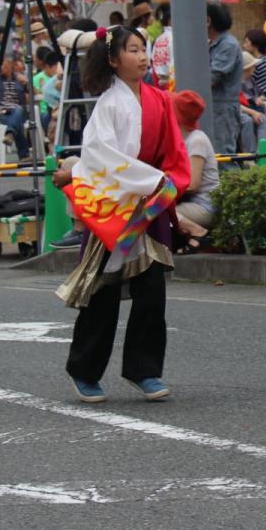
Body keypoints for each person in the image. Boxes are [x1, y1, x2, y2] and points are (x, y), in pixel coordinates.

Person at [54, 25, 190, 404]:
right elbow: (102, 159)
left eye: (143, 48)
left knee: (152, 292)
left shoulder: (159, 100)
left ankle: (144, 370)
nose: (142, 56)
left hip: (147, 206)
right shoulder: (108, 104)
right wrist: (152, 179)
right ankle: (84, 371)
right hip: (116, 207)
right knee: (102, 294)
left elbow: (173, 150)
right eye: (132, 49)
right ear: (113, 59)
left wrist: (165, 181)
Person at [172, 90, 219, 251]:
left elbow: (193, 185)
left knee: (155, 214)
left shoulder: (196, 140)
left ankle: (198, 232)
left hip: (204, 205)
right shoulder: (185, 139)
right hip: (193, 203)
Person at [207, 1, 243, 156]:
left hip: (223, 108)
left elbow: (212, 78)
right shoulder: (215, 44)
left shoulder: (228, 45)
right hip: (214, 107)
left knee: (223, 156)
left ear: (208, 21)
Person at [0, 59, 30, 161]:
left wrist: (26, 84)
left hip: (18, 110)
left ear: (11, 66)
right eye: (0, 66)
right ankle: (24, 154)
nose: (1, 68)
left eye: (4, 66)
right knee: (16, 121)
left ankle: (10, 133)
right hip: (3, 112)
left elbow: (31, 97)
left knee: (18, 111)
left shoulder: (20, 79)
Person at [244, 28, 266, 110]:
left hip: (262, 100)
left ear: (255, 45)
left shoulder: (258, 64)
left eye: (246, 42)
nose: (243, 45)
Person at [149, 2, 173, 88]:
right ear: (170, 19)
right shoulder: (176, 38)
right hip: (173, 84)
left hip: (159, 83)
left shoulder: (158, 39)